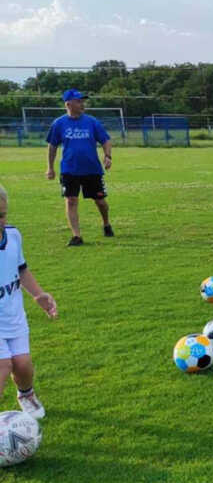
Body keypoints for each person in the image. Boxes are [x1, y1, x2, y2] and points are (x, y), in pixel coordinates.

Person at [0, 184, 58, 420]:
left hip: (13, 316)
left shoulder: (13, 236)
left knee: (23, 365)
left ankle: (26, 395)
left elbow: (22, 270)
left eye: (1, 215)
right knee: (3, 365)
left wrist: (39, 295)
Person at [45, 89, 114, 246]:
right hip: (69, 169)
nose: (82, 104)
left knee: (100, 202)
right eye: (78, 101)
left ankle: (106, 223)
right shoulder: (59, 123)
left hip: (92, 169)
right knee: (71, 200)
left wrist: (108, 156)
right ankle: (77, 236)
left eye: (83, 101)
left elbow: (105, 140)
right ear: (68, 104)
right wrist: (50, 167)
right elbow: (52, 146)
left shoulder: (92, 122)